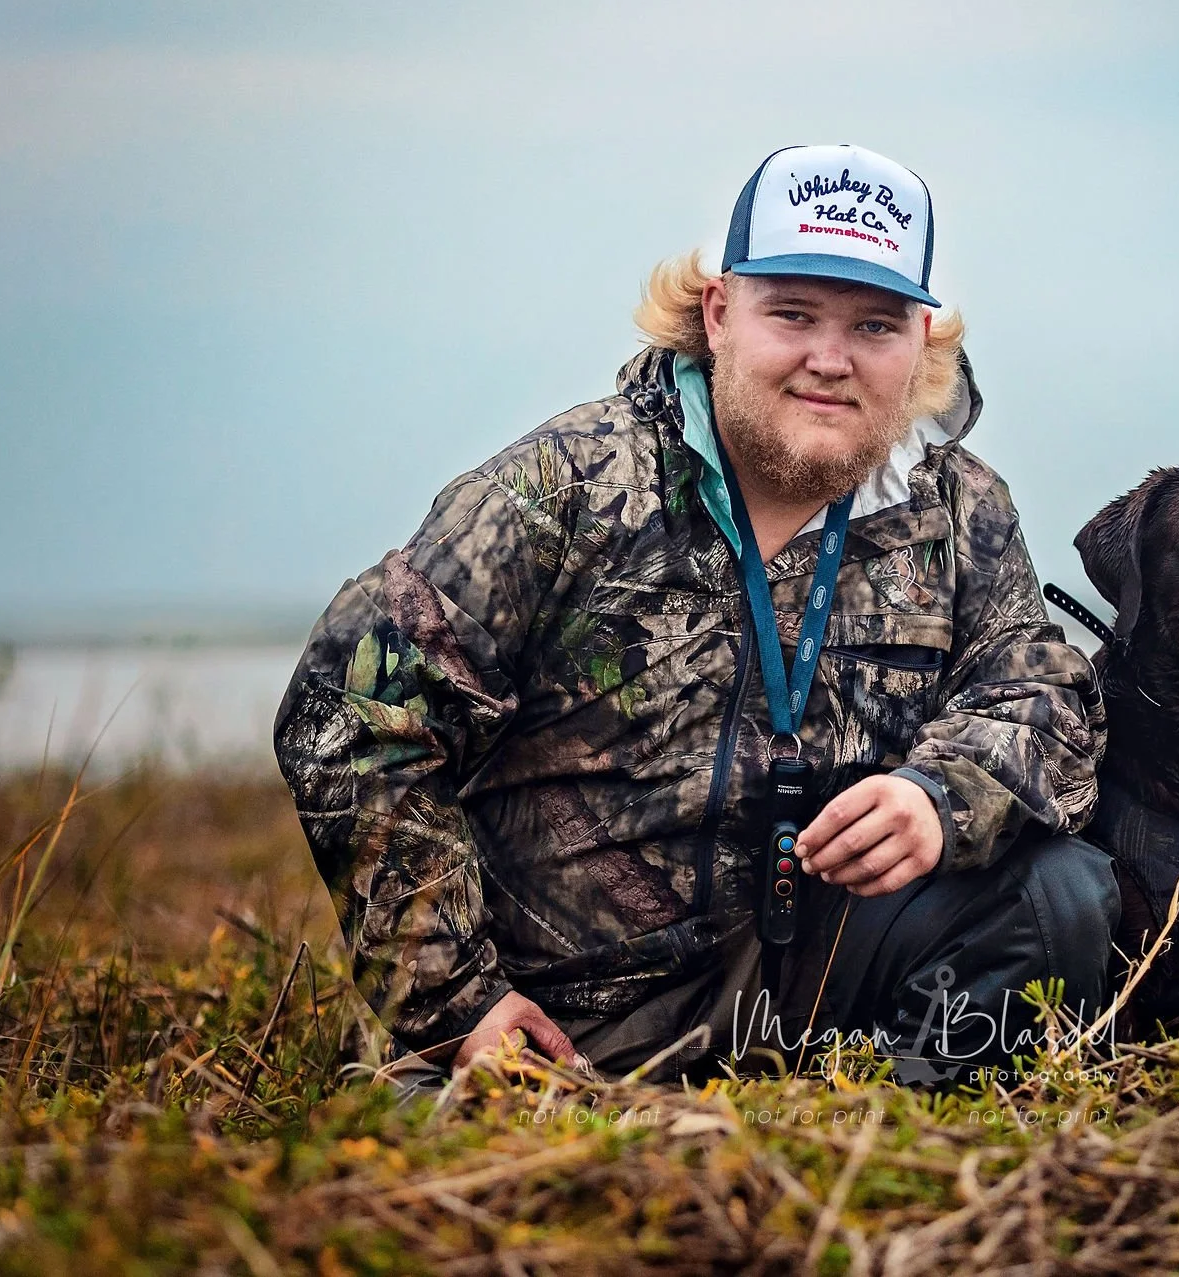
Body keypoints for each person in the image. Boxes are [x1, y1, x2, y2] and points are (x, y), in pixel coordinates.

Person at [274, 144, 1119, 1085]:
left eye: (874, 325)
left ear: (920, 339)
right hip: (561, 1024)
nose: (829, 360)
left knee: (1061, 897)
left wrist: (942, 794)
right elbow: (349, 710)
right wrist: (457, 1001)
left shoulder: (959, 508)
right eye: (792, 314)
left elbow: (1043, 691)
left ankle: (871, 1139)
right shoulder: (565, 487)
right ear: (719, 314)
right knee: (442, 1175)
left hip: (825, 983)